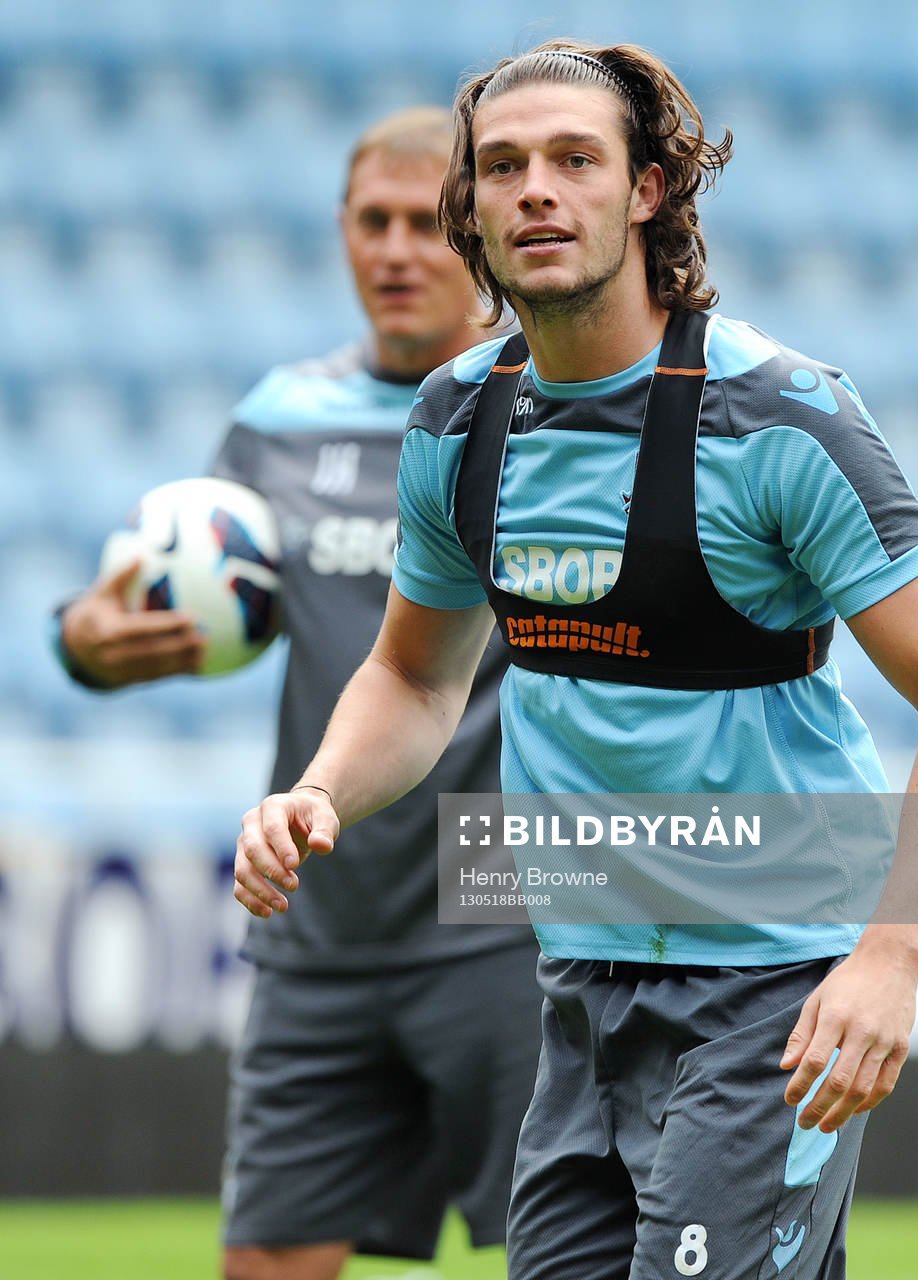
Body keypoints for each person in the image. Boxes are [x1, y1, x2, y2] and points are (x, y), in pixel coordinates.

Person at [232, 42, 918, 1280]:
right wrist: (320, 788)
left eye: (573, 160)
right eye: (503, 166)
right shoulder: (454, 420)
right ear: (473, 209)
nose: (535, 189)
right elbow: (415, 677)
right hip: (578, 987)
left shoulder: (777, 416)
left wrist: (890, 957)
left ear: (647, 191)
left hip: (770, 990)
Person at [52, 107, 544, 1280]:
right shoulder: (278, 422)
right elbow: (151, 589)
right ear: (339, 232)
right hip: (320, 909)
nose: (393, 250)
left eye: (425, 223)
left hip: (505, 906)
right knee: (268, 1260)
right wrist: (86, 641)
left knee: (562, 1251)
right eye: (369, 222)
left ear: (473, 233)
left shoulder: (548, 413)